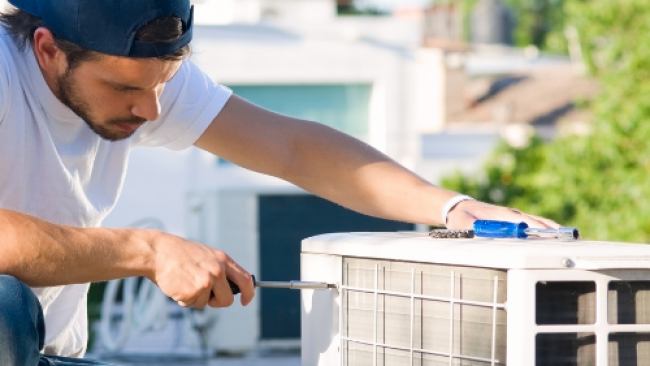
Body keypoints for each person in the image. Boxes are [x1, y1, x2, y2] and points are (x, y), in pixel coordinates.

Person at [0, 0, 559, 364]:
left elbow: (293, 149)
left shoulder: (143, 79)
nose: (150, 109)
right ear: (48, 50)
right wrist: (146, 249)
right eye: (125, 89)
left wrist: (453, 207)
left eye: (162, 85)